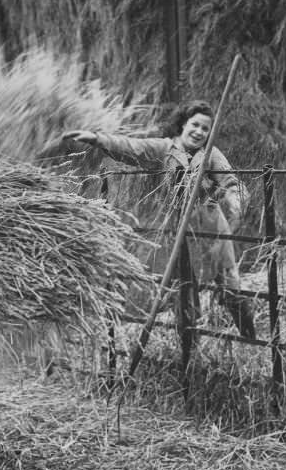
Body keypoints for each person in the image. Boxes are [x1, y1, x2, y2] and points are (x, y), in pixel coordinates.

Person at [63, 101, 256, 339]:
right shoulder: (164, 149)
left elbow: (231, 182)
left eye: (205, 129)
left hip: (211, 227)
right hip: (179, 232)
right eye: (195, 125)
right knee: (184, 294)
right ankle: (190, 352)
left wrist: (235, 197)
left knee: (230, 286)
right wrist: (95, 138)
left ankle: (252, 338)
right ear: (184, 124)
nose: (199, 132)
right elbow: (131, 147)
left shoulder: (211, 155)